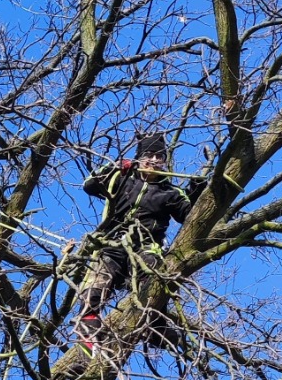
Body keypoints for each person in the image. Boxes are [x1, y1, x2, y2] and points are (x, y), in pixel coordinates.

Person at [76, 132, 204, 353]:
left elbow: (188, 216)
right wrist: (117, 167)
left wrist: (196, 193)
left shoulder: (171, 192)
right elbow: (89, 185)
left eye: (159, 157)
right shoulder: (122, 179)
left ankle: (155, 326)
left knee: (153, 274)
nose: (154, 161)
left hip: (146, 247)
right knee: (97, 282)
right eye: (149, 155)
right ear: (139, 158)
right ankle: (89, 327)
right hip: (113, 243)